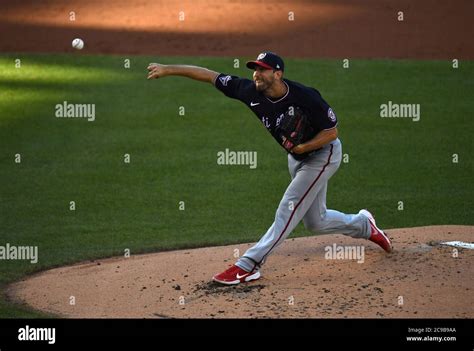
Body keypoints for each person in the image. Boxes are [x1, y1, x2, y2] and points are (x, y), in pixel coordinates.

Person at [147, 51, 393, 286]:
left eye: (262, 70)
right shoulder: (248, 91)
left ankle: (249, 265)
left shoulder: (306, 96)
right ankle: (363, 225)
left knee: (288, 207)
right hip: (297, 159)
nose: (256, 74)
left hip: (323, 155)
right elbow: (210, 75)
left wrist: (304, 146)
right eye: (255, 69)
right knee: (316, 222)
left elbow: (332, 132)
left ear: (278, 74)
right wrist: (169, 69)